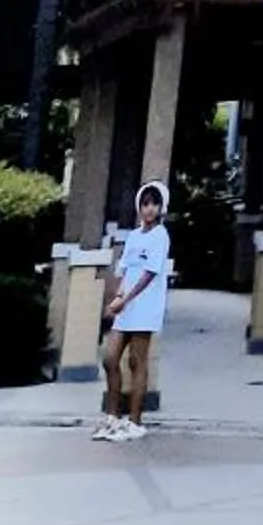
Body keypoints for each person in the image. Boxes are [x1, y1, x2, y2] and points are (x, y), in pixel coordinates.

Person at [96, 182, 172, 443]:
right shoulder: (134, 236)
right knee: (109, 359)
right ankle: (113, 418)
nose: (148, 208)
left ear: (160, 208)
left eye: (154, 204)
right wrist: (117, 298)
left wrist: (125, 299)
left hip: (145, 308)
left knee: (136, 361)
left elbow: (149, 274)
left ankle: (135, 421)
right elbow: (126, 271)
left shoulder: (160, 236)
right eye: (145, 203)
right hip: (125, 309)